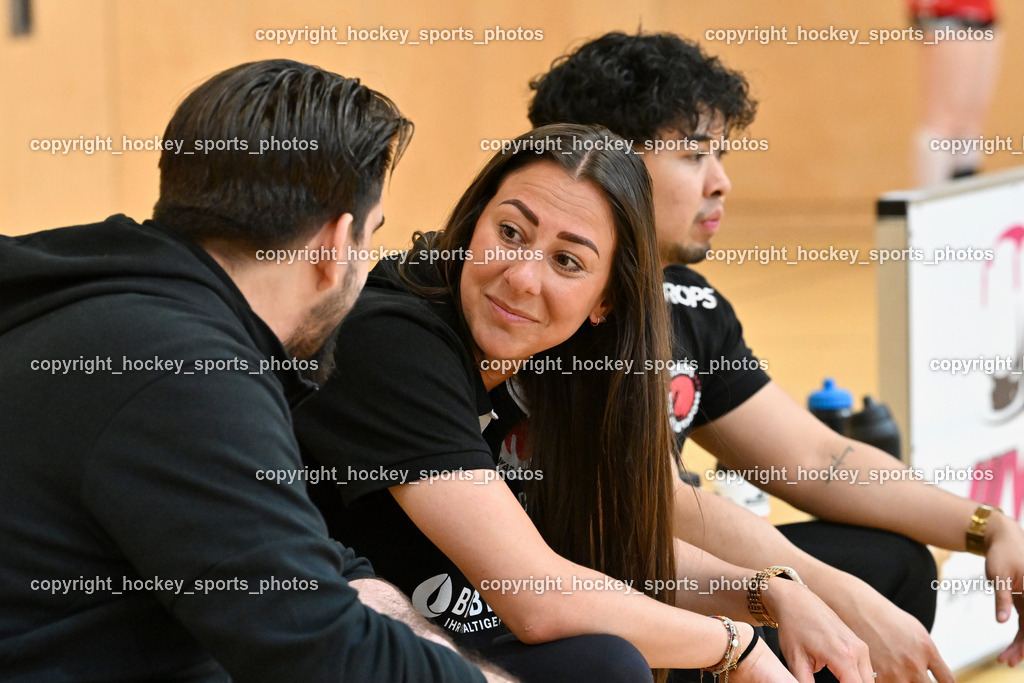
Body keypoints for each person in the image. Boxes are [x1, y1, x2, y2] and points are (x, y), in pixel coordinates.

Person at [294, 123, 879, 683]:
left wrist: (771, 592)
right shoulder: (391, 337)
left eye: (568, 261)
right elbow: (537, 597)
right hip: (342, 636)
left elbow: (618, 549)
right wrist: (734, 646)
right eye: (511, 233)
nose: (522, 277)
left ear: (606, 302)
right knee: (608, 664)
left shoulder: (567, 364)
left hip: (473, 627)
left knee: (841, 597)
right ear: (473, 224)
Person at [527, 30, 1024, 680]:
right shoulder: (552, 306)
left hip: (659, 564)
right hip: (573, 589)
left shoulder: (686, 303)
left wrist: (988, 526)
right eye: (695, 155)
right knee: (849, 591)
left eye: (722, 155)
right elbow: (656, 505)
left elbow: (815, 458)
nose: (721, 182)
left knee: (892, 564)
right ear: (607, 159)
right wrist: (825, 593)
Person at [0, 59, 505, 682]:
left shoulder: (119, 300)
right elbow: (323, 654)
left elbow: (307, 570)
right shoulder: (183, 371)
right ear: (335, 244)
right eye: (372, 238)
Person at [910, 0, 1002, 186]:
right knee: (943, 121)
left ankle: (964, 203)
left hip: (982, 11)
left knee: (969, 123)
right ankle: (930, 203)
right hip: (949, 12)